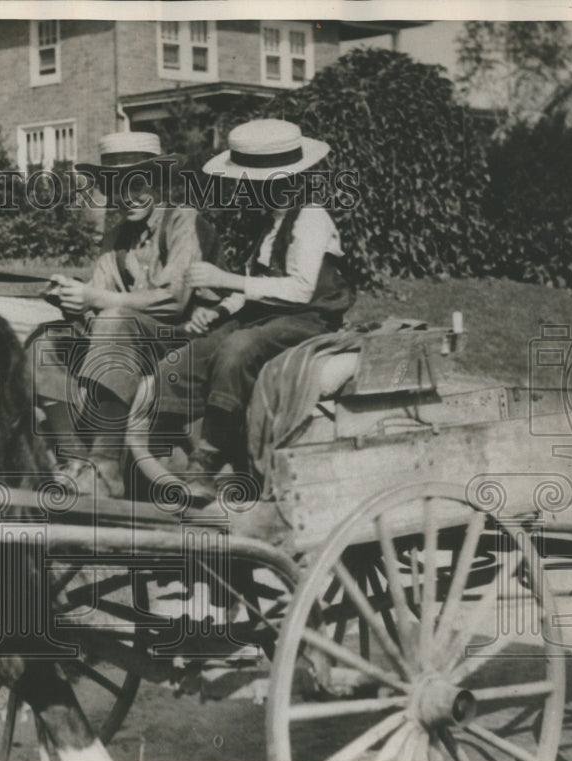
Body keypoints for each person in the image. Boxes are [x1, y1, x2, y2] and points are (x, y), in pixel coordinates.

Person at [157, 119, 356, 502]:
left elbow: (299, 291)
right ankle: (182, 447)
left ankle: (209, 460)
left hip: (309, 319)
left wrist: (227, 281)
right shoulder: (269, 223)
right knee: (193, 354)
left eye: (253, 182)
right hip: (267, 316)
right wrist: (218, 310)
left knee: (237, 349)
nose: (247, 189)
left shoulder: (311, 218)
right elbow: (251, 285)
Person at [30, 131, 228, 497]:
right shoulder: (117, 236)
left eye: (140, 184)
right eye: (119, 186)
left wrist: (96, 299)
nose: (130, 196)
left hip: (187, 337)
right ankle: (75, 461)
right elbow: (99, 296)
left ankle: (105, 462)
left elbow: (174, 300)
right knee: (44, 340)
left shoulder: (183, 221)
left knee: (115, 320)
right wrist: (73, 300)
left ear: (157, 182)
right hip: (130, 336)